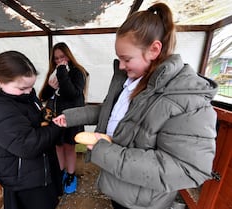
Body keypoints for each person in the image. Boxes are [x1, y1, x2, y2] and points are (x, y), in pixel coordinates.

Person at [53, 3, 218, 209]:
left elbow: (189, 168)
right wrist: (71, 117)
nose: (121, 66)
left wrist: (104, 151)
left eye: (126, 59)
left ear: (154, 49)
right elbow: (109, 111)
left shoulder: (187, 97)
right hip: (119, 187)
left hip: (143, 202)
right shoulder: (132, 80)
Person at [0, 51, 62, 209]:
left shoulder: (23, 95)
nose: (29, 91)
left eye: (31, 86)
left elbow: (33, 117)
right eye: (22, 88)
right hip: (23, 181)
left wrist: (45, 116)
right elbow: (27, 145)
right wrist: (56, 127)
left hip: (37, 171)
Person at [39, 42, 88, 194]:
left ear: (69, 55)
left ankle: (71, 175)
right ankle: (60, 173)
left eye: (62, 56)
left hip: (71, 117)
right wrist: (50, 86)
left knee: (69, 146)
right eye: (56, 59)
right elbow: (43, 96)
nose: (60, 60)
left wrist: (61, 71)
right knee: (58, 146)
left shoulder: (78, 72)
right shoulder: (52, 73)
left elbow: (72, 93)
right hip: (54, 117)